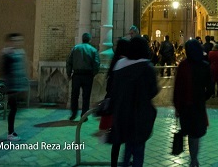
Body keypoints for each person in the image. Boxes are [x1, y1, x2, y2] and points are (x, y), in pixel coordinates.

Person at [110, 36, 158, 167]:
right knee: (138, 149)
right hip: (141, 114)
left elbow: (114, 89)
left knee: (128, 146)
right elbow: (153, 91)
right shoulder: (147, 67)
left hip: (123, 113)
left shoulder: (119, 65)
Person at [173, 39, 214, 167]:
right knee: (195, 134)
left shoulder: (183, 65)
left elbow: (177, 88)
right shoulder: (204, 65)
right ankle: (194, 159)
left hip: (185, 106)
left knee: (191, 133)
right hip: (198, 106)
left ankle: (194, 160)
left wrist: (177, 106)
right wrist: (202, 98)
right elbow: (211, 88)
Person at [103, 38, 130, 167]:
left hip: (115, 105)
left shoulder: (115, 61)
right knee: (127, 136)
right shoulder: (124, 63)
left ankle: (114, 163)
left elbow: (109, 86)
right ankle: (125, 161)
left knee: (117, 139)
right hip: (123, 105)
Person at [66, 32, 100, 121]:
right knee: (86, 96)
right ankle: (84, 115)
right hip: (88, 75)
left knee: (74, 95)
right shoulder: (93, 50)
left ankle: (73, 114)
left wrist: (69, 74)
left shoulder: (75, 48)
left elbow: (69, 62)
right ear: (89, 40)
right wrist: (93, 73)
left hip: (76, 75)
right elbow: (96, 63)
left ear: (82, 39)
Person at [1, 33, 28, 141]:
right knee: (13, 109)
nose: (18, 42)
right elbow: (5, 70)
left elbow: (21, 69)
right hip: (11, 86)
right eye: (16, 40)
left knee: (14, 109)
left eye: (19, 40)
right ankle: (10, 133)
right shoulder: (8, 54)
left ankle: (11, 131)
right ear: (11, 41)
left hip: (16, 85)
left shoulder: (17, 53)